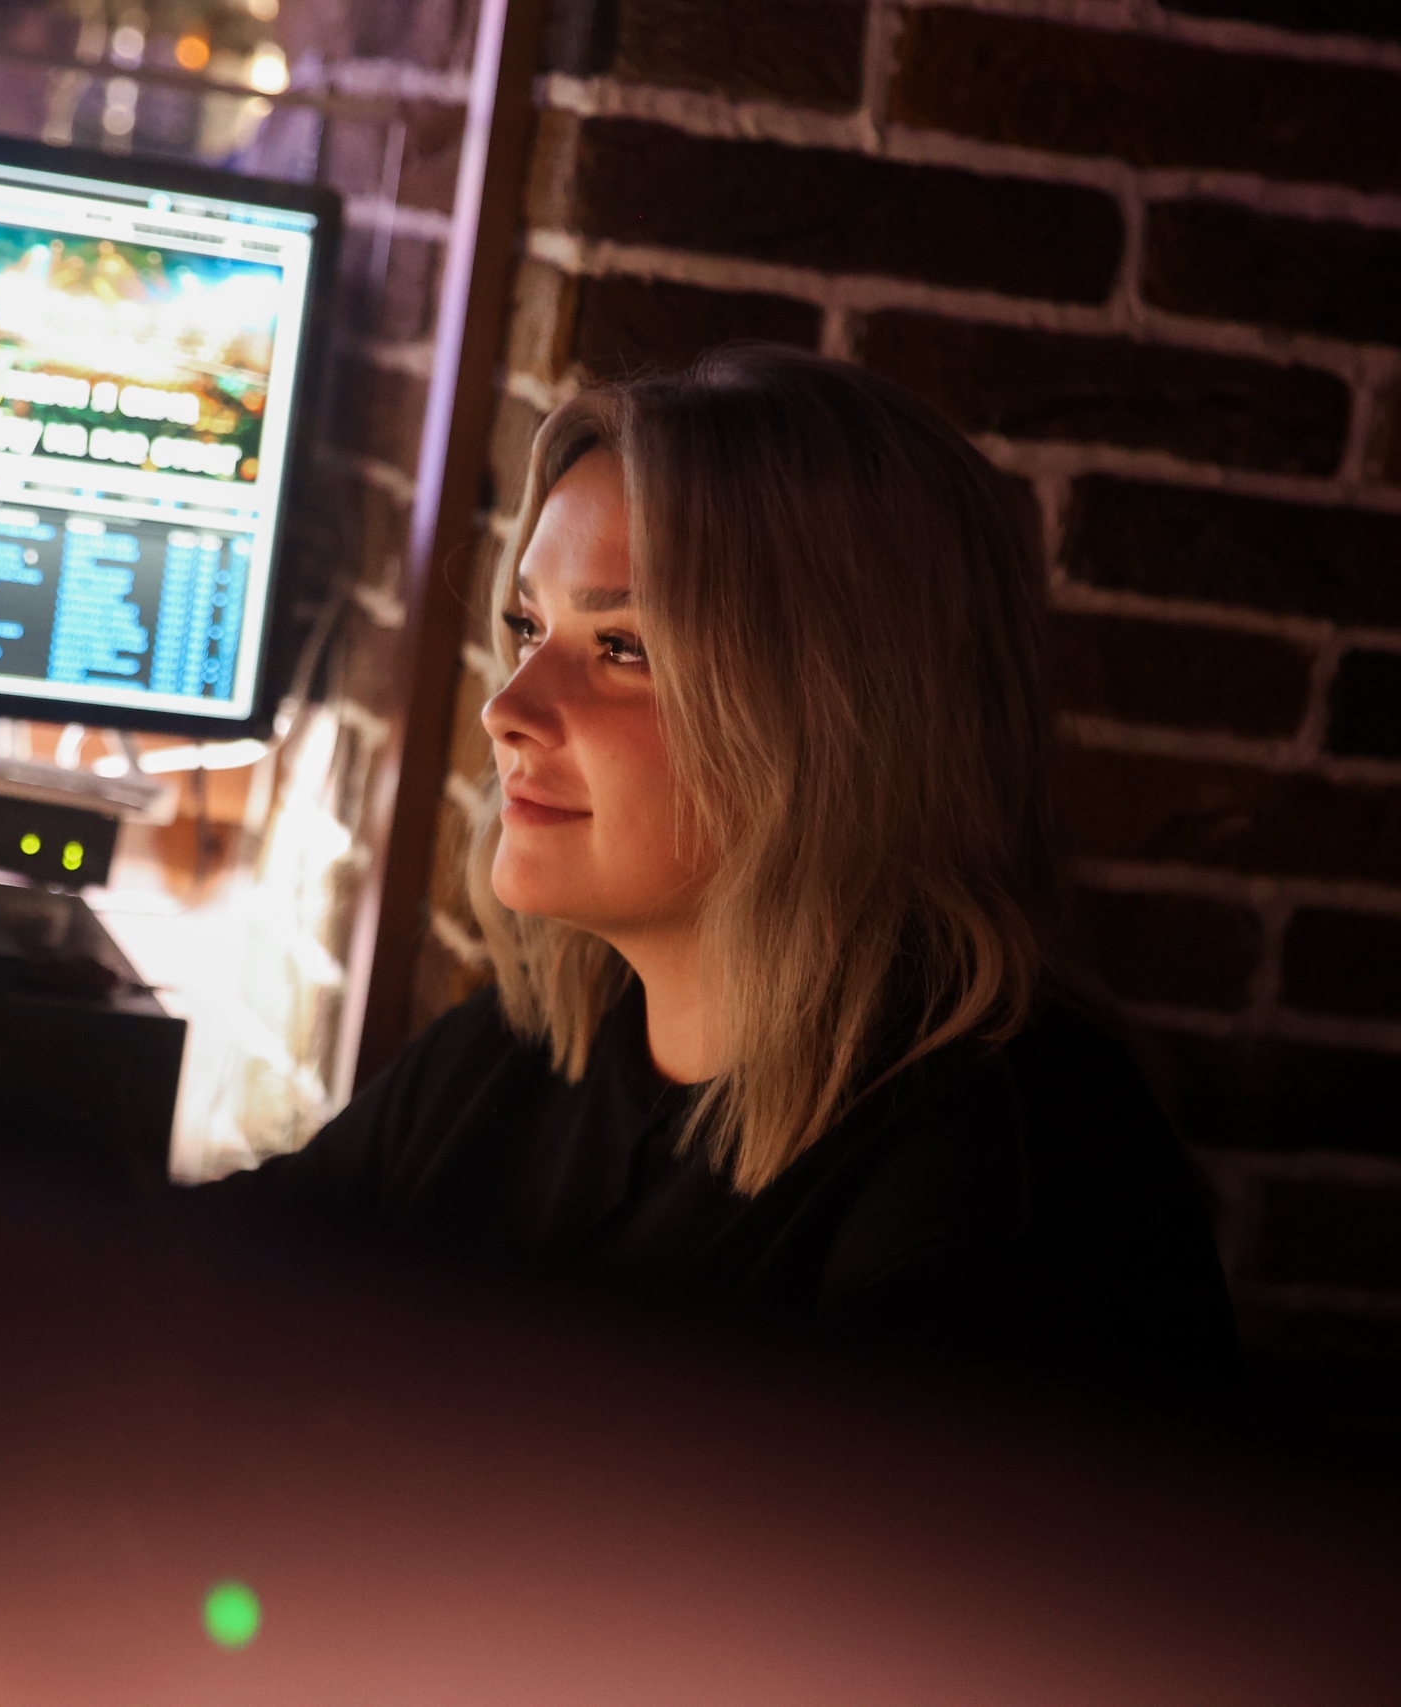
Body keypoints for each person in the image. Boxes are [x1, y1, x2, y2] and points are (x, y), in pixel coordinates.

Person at [213, 347, 1238, 1387]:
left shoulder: (1001, 1194)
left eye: (622, 647)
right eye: (529, 626)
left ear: (839, 719)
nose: (506, 709)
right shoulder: (523, 1052)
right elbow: (193, 1295)